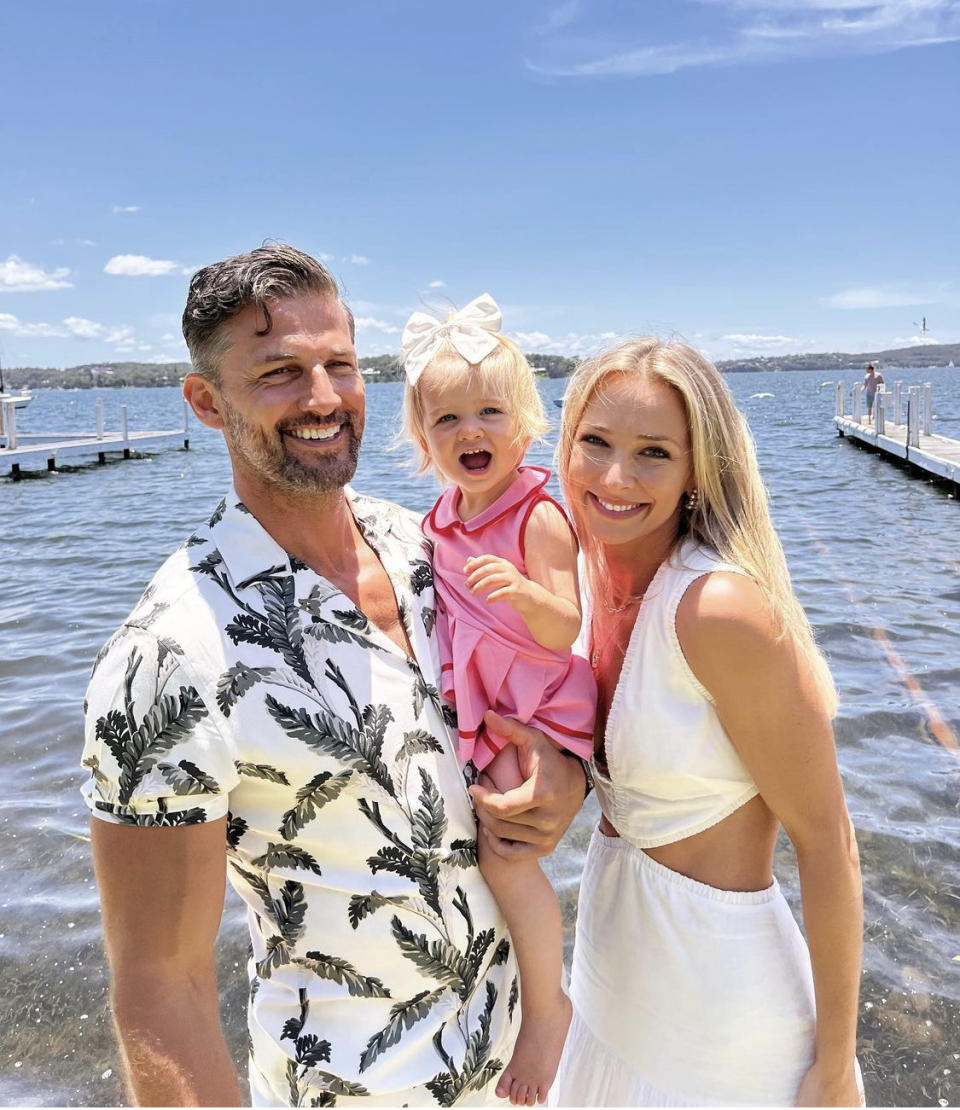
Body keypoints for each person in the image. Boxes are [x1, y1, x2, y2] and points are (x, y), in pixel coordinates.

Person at [80, 245, 588, 1108]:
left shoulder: (430, 546)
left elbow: (531, 683)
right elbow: (161, 989)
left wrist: (564, 778)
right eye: (279, 371)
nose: (322, 398)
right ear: (207, 402)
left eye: (339, 365)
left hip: (519, 1069)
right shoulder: (167, 656)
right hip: (356, 1086)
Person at [551, 338, 864, 1107]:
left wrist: (836, 1064)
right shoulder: (583, 587)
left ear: (700, 471)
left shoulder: (718, 609)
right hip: (608, 972)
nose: (616, 477)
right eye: (596, 442)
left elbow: (828, 843)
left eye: (653, 452)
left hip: (718, 1011)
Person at [399, 296, 596, 1107]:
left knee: (504, 853)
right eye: (447, 419)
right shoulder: (440, 518)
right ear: (423, 438)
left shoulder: (538, 515)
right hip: (481, 697)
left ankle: (548, 1009)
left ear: (525, 425)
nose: (469, 431)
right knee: (477, 844)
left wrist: (521, 591)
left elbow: (565, 625)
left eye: (489, 412)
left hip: (535, 699)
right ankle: (504, 985)